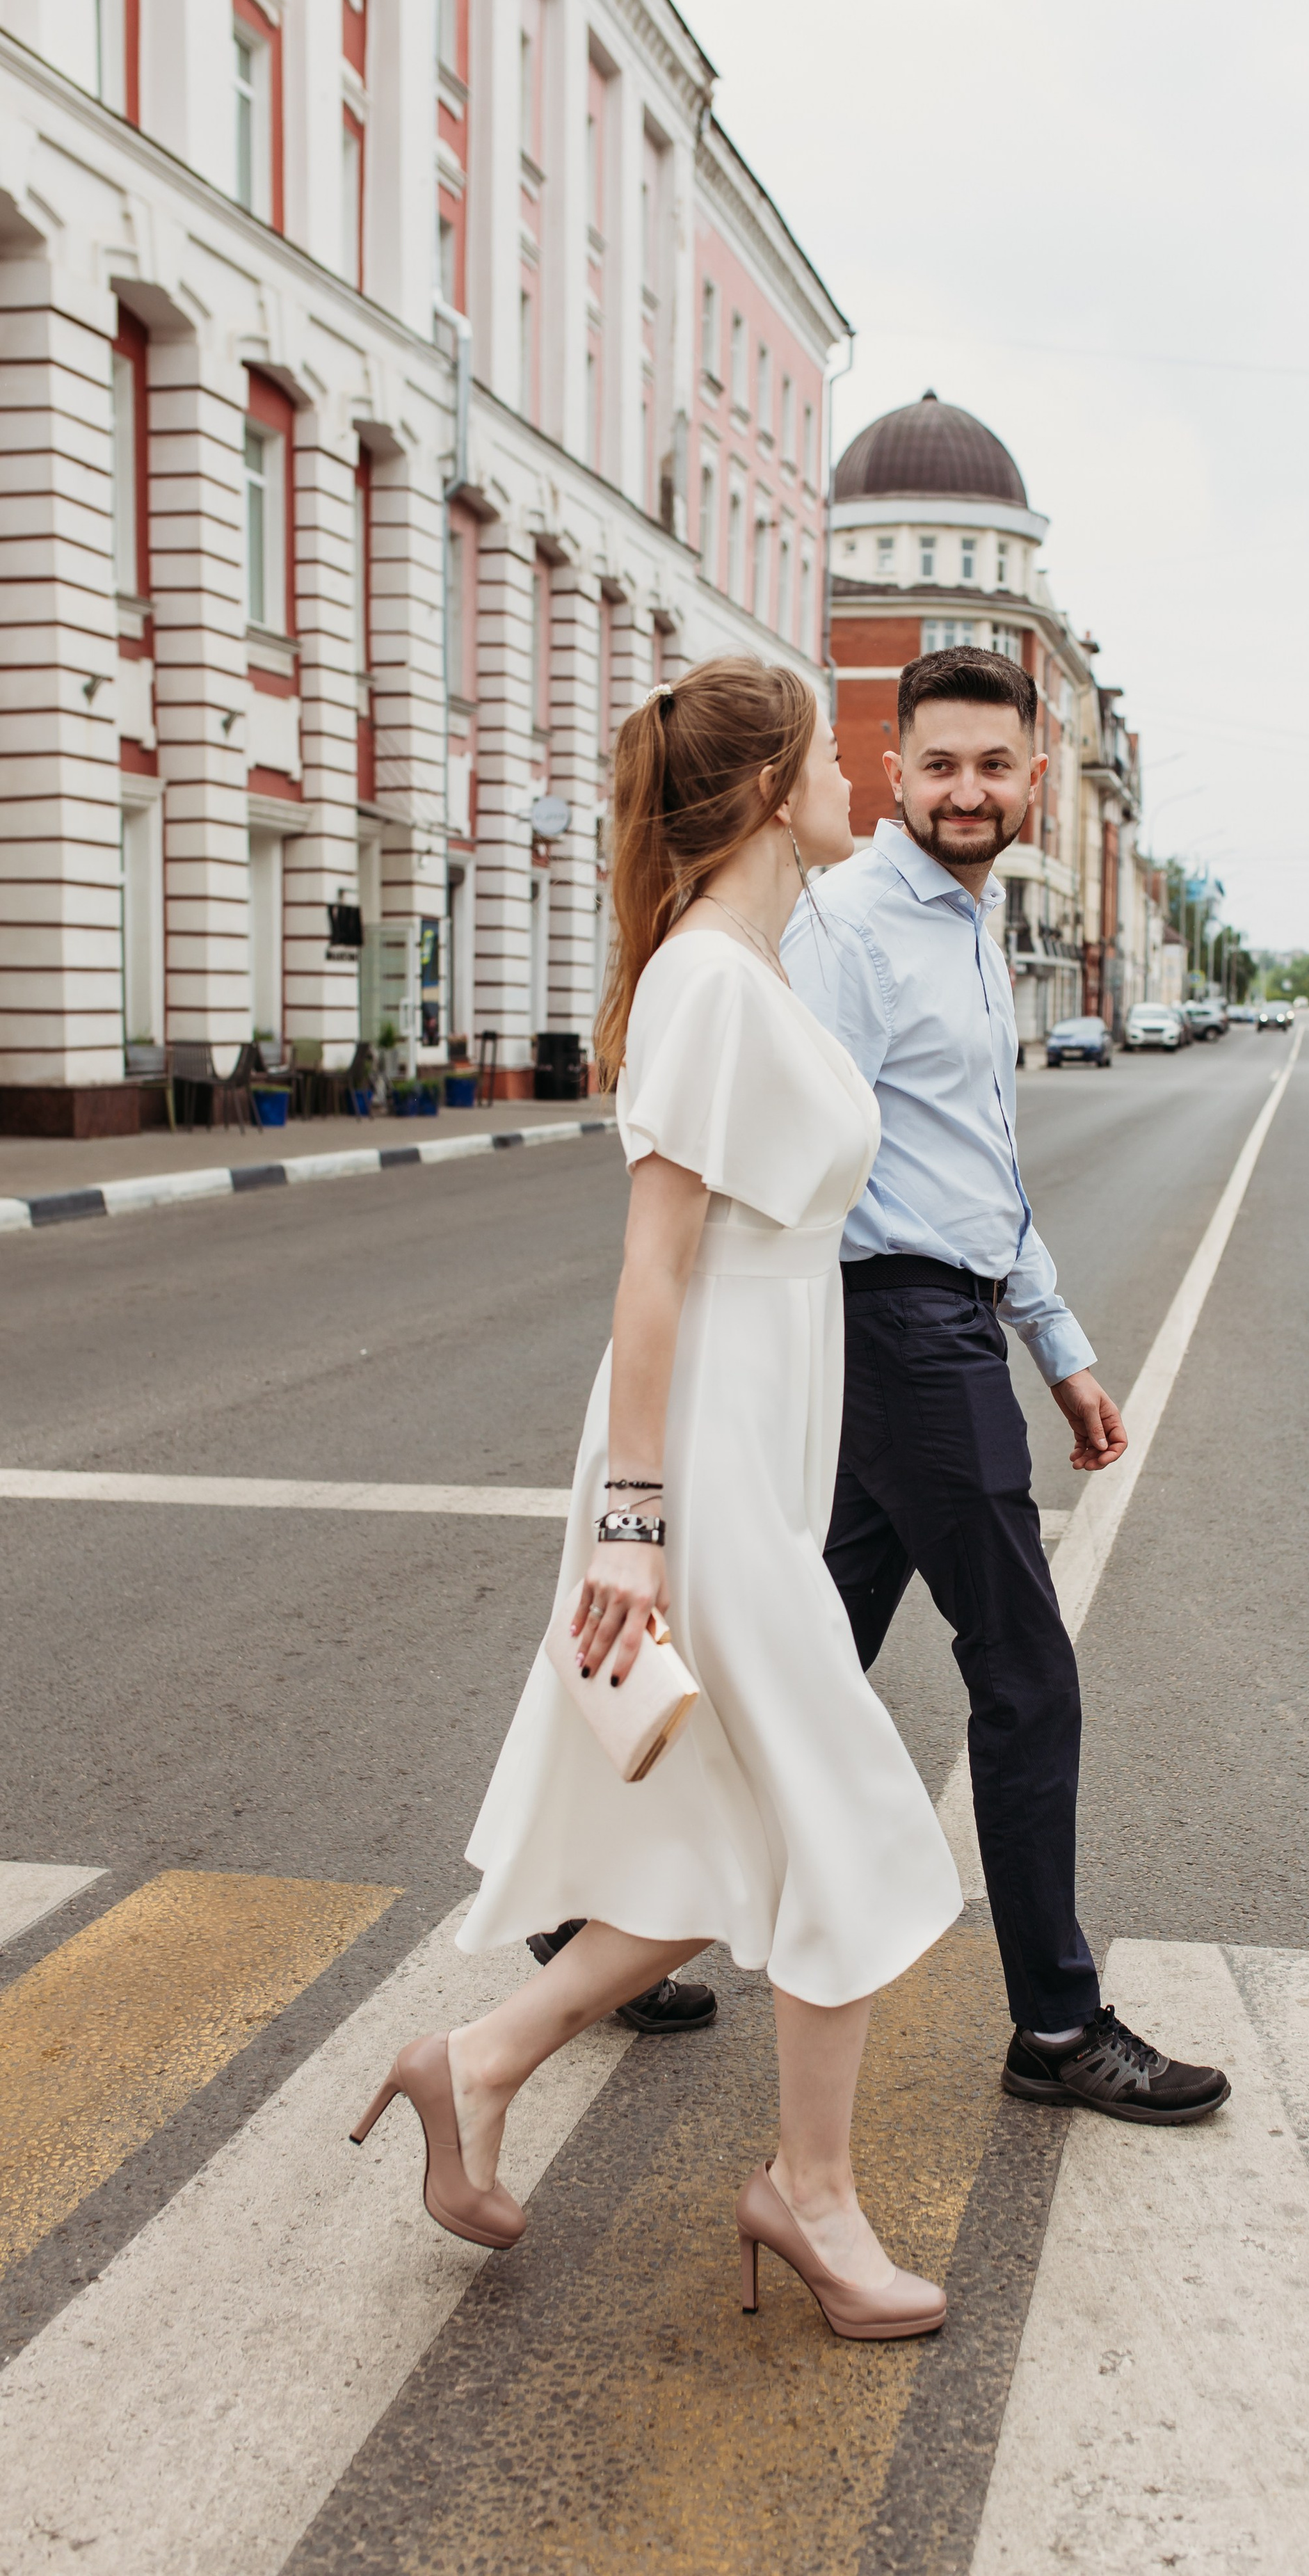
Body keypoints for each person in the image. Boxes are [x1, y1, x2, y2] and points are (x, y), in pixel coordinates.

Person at [352, 657, 962, 2339]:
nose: (857, 777)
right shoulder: (708, 979)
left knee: (720, 1836)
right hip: (697, 1466)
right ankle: (810, 2198)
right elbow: (652, 1267)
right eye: (827, 760)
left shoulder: (753, 968)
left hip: (757, 1440)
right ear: (769, 795)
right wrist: (634, 1518)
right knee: (845, 1821)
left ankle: (471, 2065)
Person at [781, 646, 1230, 2127]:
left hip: (950, 1315)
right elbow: (806, 1171)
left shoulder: (971, 924)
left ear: (1034, 777)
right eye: (936, 766)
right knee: (1026, 1683)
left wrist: (1059, 1345)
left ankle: (587, 1925)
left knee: (799, 1659)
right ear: (891, 772)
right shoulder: (847, 925)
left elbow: (984, 1165)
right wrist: (883, 1354)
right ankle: (1053, 2026)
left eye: (991, 766)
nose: (963, 792)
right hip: (899, 1328)